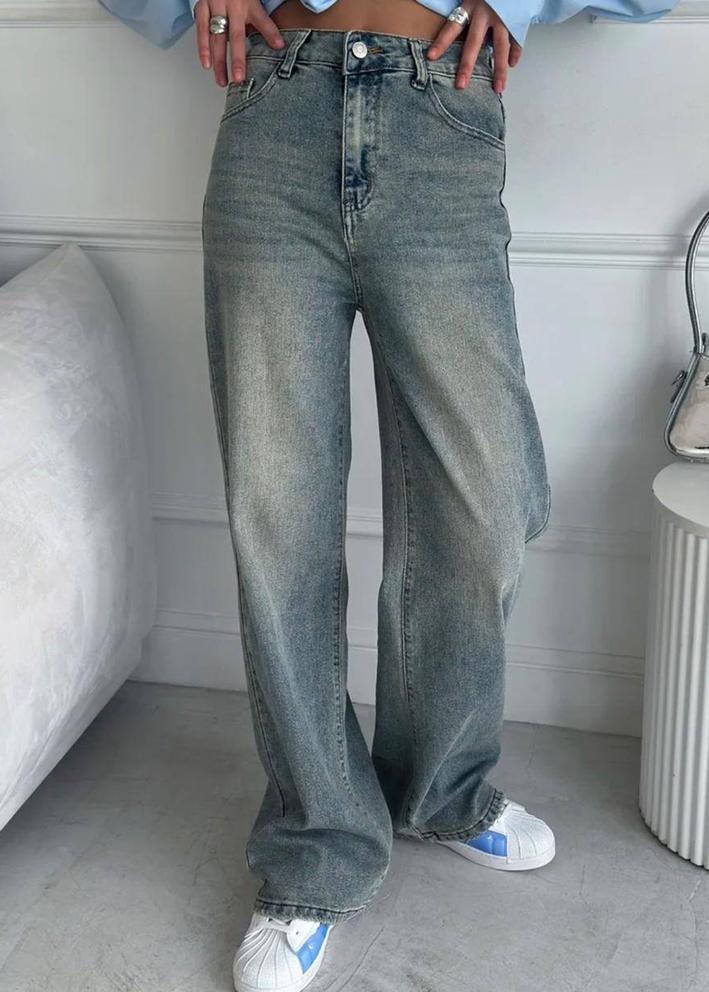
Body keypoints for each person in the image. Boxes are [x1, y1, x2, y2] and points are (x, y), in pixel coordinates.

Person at [101, 2, 681, 990]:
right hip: (276, 112)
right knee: (278, 510)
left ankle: (437, 786)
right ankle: (316, 843)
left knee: (486, 498)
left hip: (438, 116)